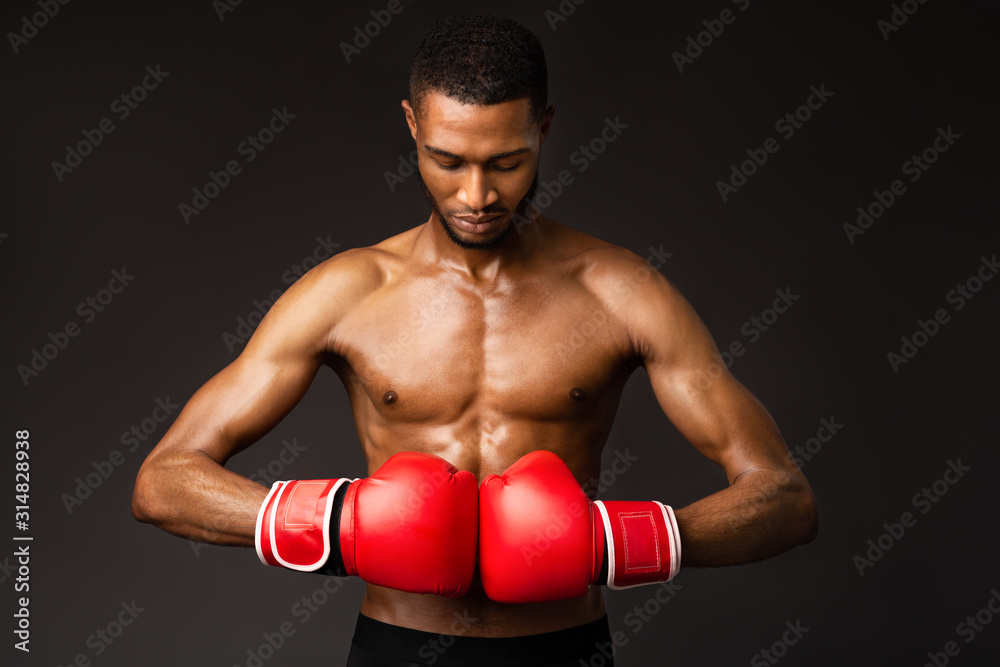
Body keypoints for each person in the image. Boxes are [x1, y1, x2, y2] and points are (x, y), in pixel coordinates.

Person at [132, 14, 817, 666]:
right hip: (396, 648)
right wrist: (342, 527)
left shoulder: (623, 292)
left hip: (563, 649)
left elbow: (785, 499)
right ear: (412, 126)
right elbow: (164, 482)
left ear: (544, 130)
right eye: (448, 160)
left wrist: (610, 543)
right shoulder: (347, 292)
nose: (478, 194)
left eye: (507, 161)